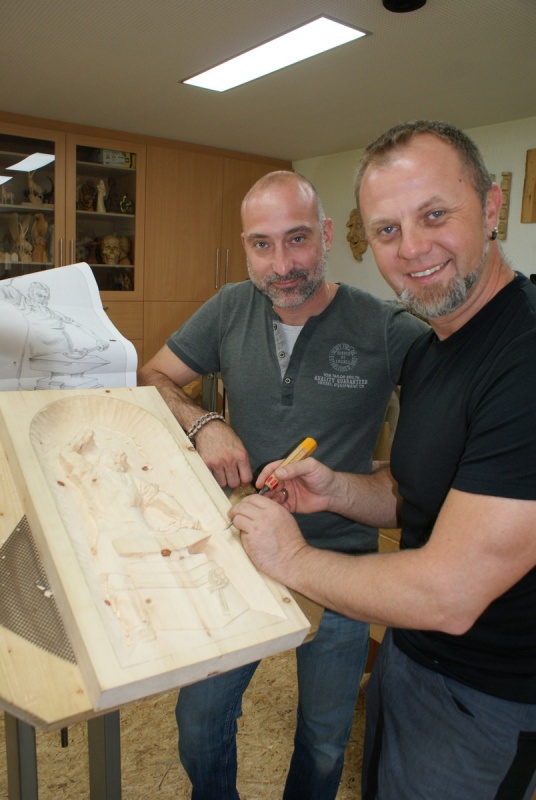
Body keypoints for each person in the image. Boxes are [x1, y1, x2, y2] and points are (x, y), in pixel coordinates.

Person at [229, 123, 536, 800]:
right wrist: (336, 490)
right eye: (388, 230)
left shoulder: (523, 355)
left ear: (491, 208)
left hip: (486, 700)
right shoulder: (432, 349)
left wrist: (291, 558)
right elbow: (413, 492)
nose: (412, 248)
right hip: (410, 656)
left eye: (435, 215)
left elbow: (450, 594)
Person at [137, 170, 427, 799]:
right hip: (239, 554)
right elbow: (153, 376)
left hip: (341, 568)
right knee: (199, 722)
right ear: (244, 246)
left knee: (324, 740)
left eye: (297, 239)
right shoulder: (229, 307)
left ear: (326, 234)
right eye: (262, 244)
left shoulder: (387, 328)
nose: (282, 264)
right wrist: (205, 422)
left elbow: (454, 413)